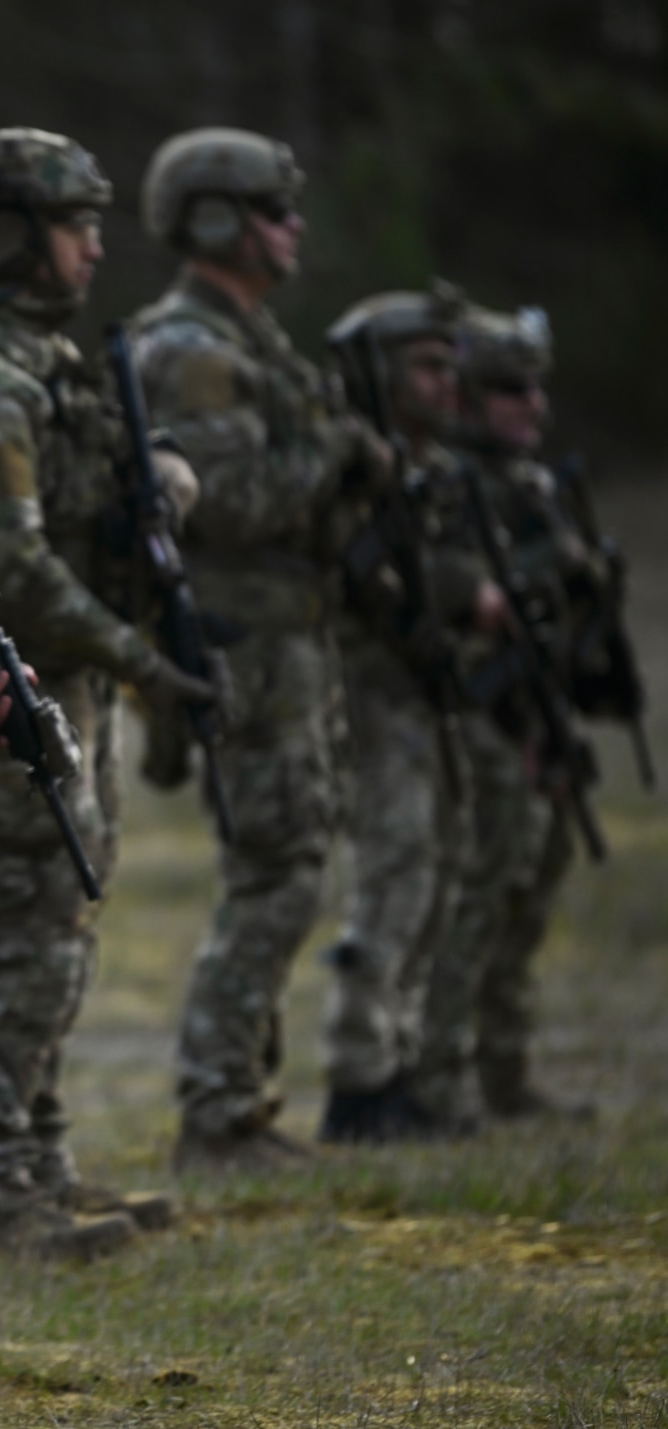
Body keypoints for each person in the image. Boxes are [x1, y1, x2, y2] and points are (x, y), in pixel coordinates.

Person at [0, 128, 195, 1242]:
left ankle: (37, 1162)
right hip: (6, 696)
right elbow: (7, 572)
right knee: (28, 935)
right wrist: (141, 660)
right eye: (73, 225)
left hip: (68, 687)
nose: (94, 246)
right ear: (12, 236)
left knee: (64, 927)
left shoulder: (46, 364)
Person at [128, 127, 385, 1171]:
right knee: (273, 869)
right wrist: (337, 447)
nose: (292, 230)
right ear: (215, 220)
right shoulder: (190, 352)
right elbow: (225, 503)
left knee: (291, 863)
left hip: (290, 638)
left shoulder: (248, 341)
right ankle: (217, 1110)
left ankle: (240, 1100)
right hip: (245, 642)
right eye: (273, 210)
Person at [409, 305, 599, 1131]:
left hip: (539, 707)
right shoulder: (447, 484)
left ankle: (506, 1067)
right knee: (482, 884)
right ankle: (443, 1071)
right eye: (512, 390)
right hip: (478, 710)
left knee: (536, 875)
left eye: (537, 389)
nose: (534, 407)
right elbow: (429, 574)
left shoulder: (531, 485)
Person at [316, 285, 499, 1142]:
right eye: (425, 366)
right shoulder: (355, 463)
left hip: (424, 693)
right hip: (369, 691)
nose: (445, 384)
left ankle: (408, 1063)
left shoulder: (430, 473)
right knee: (394, 874)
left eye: (449, 366)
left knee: (435, 873)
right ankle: (362, 1076)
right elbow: (349, 571)